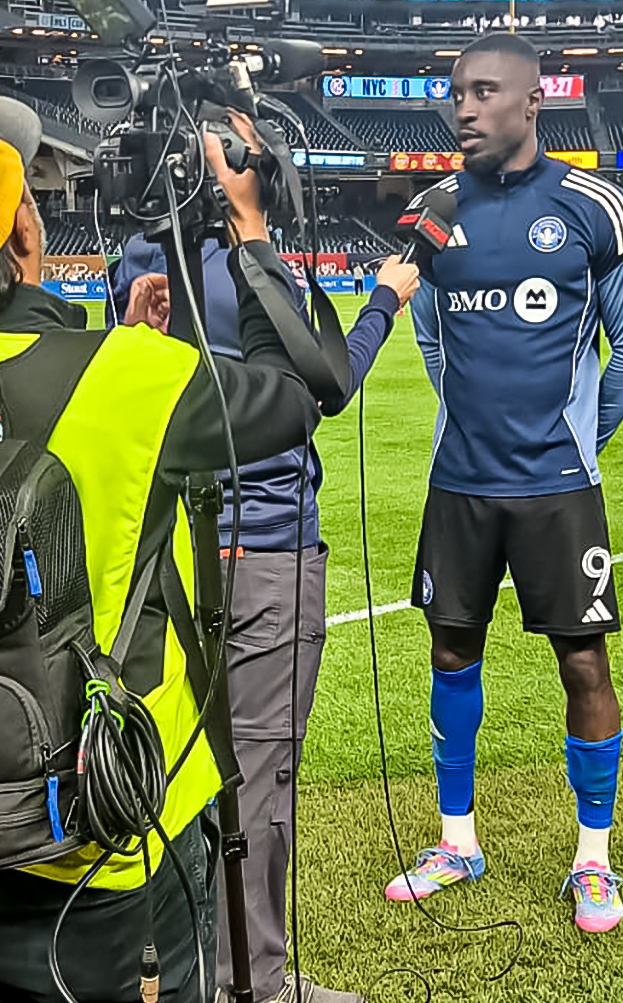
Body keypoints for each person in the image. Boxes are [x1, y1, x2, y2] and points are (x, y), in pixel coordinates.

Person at [0, 103, 324, 1002]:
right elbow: (295, 394)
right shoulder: (115, 377)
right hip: (92, 824)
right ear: (25, 230)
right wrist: (252, 230)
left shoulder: (113, 364)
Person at [110, 204, 420, 1000]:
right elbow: (319, 390)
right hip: (265, 544)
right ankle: (256, 981)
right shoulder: (248, 258)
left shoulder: (145, 248)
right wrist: (381, 301)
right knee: (256, 777)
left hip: (166, 552)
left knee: (172, 769)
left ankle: (178, 962)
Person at [384, 33, 623, 935]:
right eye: (456, 92)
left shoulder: (595, 209)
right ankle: (456, 840)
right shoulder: (432, 209)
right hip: (458, 484)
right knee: (451, 654)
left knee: (583, 662)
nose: (462, 107)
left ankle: (592, 859)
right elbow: (428, 337)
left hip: (555, 488)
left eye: (483, 91)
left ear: (532, 102)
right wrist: (470, 420)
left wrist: (575, 437)